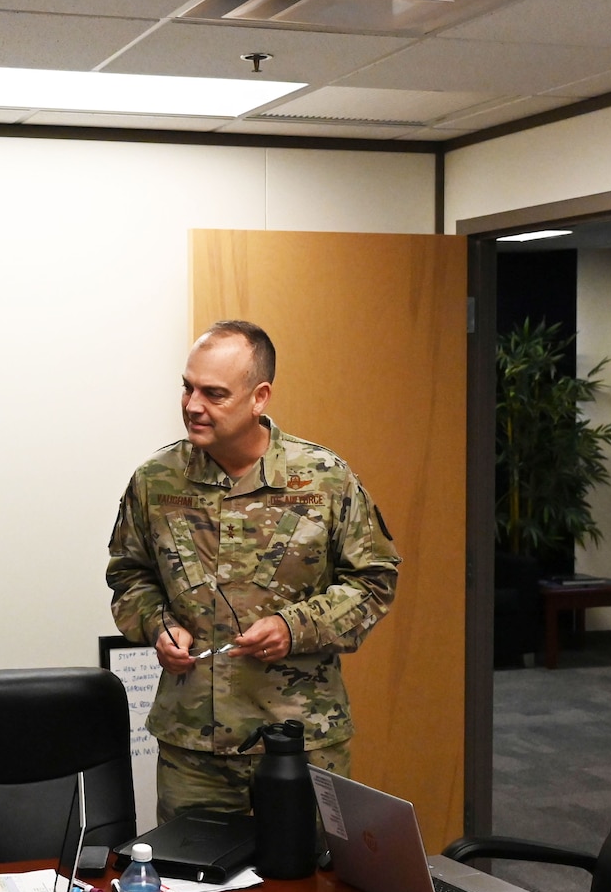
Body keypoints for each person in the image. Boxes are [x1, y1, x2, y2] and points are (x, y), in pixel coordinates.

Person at [106, 320, 401, 823]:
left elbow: (373, 580)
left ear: (259, 397)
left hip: (300, 742)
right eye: (188, 387)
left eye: (214, 393)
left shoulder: (325, 480)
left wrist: (295, 627)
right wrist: (159, 626)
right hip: (193, 749)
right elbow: (129, 576)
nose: (193, 405)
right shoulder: (156, 481)